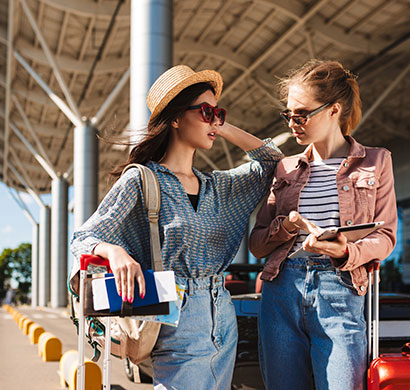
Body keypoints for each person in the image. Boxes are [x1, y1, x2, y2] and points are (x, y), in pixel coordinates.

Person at [70, 64, 283, 390]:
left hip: (222, 314)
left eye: (218, 113)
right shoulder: (142, 180)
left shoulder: (219, 187)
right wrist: (114, 251)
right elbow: (84, 237)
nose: (214, 120)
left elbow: (273, 162)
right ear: (174, 117)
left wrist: (222, 127)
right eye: (206, 112)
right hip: (176, 317)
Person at [249, 59, 397, 390]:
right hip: (281, 290)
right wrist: (285, 228)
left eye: (301, 114)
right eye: (287, 114)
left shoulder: (376, 161)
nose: (292, 123)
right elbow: (257, 244)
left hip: (340, 288)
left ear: (334, 110)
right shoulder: (285, 168)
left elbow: (386, 235)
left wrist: (346, 250)